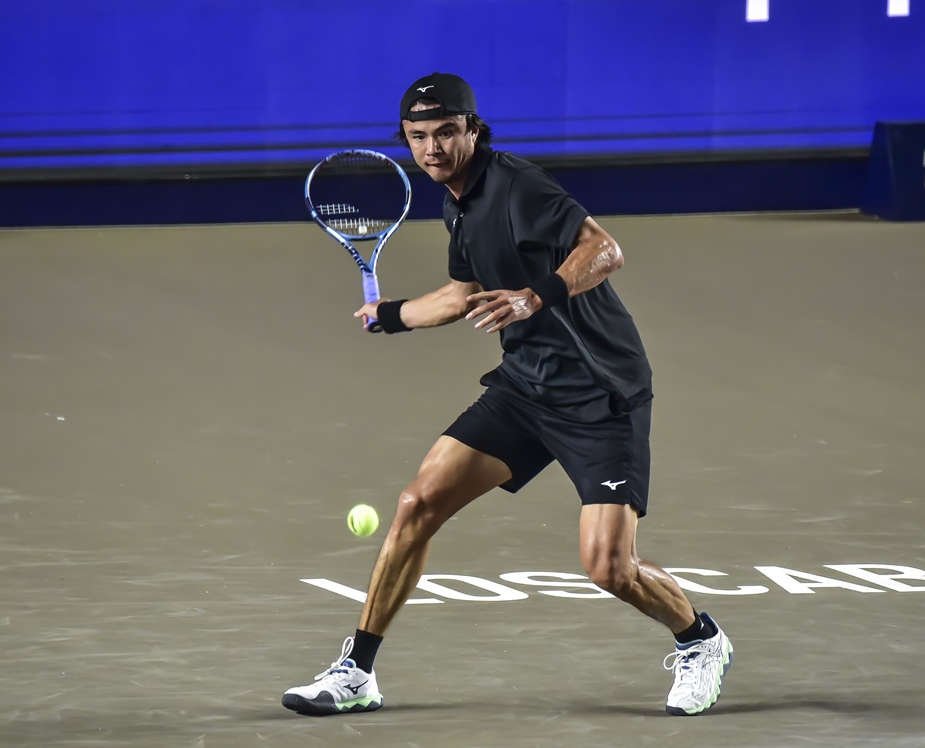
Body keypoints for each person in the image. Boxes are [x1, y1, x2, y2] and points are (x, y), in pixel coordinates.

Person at [282, 72, 732, 717]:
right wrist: (393, 315)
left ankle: (701, 640)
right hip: (525, 385)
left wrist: (534, 297)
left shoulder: (519, 185)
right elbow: (463, 292)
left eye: (445, 132)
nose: (432, 148)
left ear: (472, 129)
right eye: (418, 136)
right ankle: (357, 671)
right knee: (417, 503)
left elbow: (604, 249)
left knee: (608, 567)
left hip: (599, 393)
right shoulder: (457, 203)